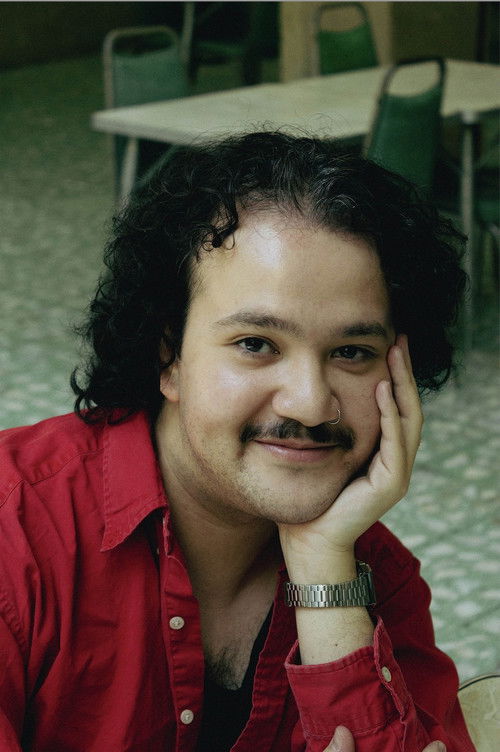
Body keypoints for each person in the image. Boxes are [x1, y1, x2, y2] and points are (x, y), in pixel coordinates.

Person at [0, 132, 474, 752]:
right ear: (169, 355)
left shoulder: (377, 577)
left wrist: (323, 570)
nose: (310, 403)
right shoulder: (16, 531)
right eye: (256, 344)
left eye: (352, 352)